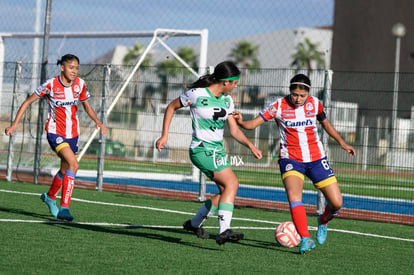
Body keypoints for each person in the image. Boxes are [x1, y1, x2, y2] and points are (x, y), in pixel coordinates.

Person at [233, 74, 355, 254]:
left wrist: (342, 142)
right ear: (290, 91)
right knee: (294, 197)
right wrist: (241, 121)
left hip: (316, 159)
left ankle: (323, 221)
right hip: (290, 158)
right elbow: (253, 125)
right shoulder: (278, 106)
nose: (298, 98)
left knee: (337, 203)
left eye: (302, 96)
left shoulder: (315, 104)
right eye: (295, 94)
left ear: (309, 93)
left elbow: (326, 125)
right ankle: (305, 238)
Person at [156, 61, 262, 245]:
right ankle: (224, 231)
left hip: (217, 151)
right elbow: (171, 107)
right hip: (201, 149)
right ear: (226, 82)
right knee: (232, 184)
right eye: (235, 82)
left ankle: (194, 223)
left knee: (224, 192)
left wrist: (250, 146)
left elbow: (234, 130)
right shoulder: (196, 94)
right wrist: (164, 135)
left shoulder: (227, 100)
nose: (236, 86)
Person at [5, 54, 106, 221]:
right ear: (62, 68)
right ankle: (64, 208)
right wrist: (15, 124)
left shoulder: (80, 84)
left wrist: (98, 122)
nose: (74, 71)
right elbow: (27, 102)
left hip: (73, 134)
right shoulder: (51, 85)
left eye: (76, 68)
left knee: (66, 169)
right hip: (55, 133)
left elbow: (86, 106)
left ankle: (50, 197)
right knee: (74, 164)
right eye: (71, 68)